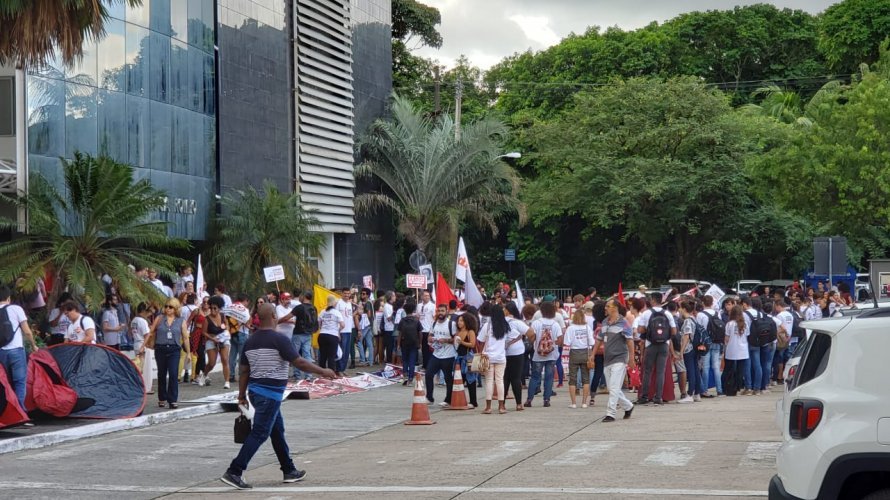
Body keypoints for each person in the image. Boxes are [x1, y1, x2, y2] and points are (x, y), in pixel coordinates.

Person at [220, 304, 336, 490]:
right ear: (273, 315)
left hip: (256, 392)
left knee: (277, 430)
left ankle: (289, 470)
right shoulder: (279, 339)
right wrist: (322, 371)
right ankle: (235, 471)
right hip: (270, 394)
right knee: (260, 433)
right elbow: (298, 362)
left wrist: (241, 395)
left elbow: (243, 371)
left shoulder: (250, 341)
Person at [140, 298, 190, 408]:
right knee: (161, 374)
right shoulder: (159, 318)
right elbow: (151, 332)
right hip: (160, 349)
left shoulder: (181, 320)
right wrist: (143, 345)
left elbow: (185, 338)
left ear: (176, 308)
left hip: (174, 349)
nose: (168, 309)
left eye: (171, 307)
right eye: (166, 306)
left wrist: (189, 353)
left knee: (173, 373)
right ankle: (162, 398)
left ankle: (172, 399)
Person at [591, 299, 635, 422]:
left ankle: (610, 413)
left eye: (608, 306)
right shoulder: (605, 322)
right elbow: (599, 339)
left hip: (620, 358)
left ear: (615, 308)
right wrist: (592, 354)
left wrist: (631, 359)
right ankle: (628, 406)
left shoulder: (624, 323)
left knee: (614, 387)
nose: (605, 308)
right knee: (611, 388)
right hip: (608, 359)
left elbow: (630, 341)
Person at [0, 285, 38, 414]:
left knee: (5, 382)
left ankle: (8, 413)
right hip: (16, 350)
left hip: (1, 352)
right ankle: (21, 413)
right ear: (9, 298)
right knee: (19, 382)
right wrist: (33, 346)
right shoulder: (16, 309)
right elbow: (27, 331)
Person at [636, 292, 676, 406]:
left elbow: (640, 330)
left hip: (650, 345)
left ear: (652, 300)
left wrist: (649, 330)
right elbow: (674, 331)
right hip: (664, 345)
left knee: (647, 371)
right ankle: (658, 397)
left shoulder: (646, 313)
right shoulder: (667, 313)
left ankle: (644, 396)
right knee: (660, 372)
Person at [524, 301, 564, 408]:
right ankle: (546, 399)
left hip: (538, 354)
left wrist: (535, 343)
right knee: (549, 377)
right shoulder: (555, 324)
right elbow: (560, 340)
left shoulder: (536, 323)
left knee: (535, 377)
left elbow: (531, 335)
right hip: (551, 355)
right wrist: (552, 345)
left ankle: (529, 399)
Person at [425, 304, 457, 407]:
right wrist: (430, 339)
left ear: (447, 311)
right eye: (439, 311)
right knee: (428, 374)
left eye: (442, 311)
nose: (440, 313)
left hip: (448, 355)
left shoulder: (451, 324)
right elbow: (430, 335)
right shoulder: (434, 324)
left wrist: (446, 340)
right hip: (436, 354)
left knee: (448, 378)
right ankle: (429, 397)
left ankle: (448, 399)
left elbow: (456, 339)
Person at [563, 309, 595, 409]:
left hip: (574, 353)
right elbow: (592, 342)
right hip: (585, 353)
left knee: (572, 378)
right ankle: (584, 402)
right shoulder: (587, 327)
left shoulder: (571, 328)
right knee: (586, 379)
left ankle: (573, 403)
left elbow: (566, 343)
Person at [199, 296, 231, 388]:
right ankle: (204, 375)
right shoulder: (206, 319)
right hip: (211, 340)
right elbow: (204, 332)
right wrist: (213, 339)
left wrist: (227, 331)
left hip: (223, 339)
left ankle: (227, 382)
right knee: (212, 363)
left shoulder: (222, 316)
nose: (212, 310)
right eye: (211, 308)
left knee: (225, 359)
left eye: (215, 308)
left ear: (219, 308)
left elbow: (227, 324)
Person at [698, 295, 723, 397]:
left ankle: (704, 390)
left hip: (706, 343)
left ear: (703, 303)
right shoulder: (717, 314)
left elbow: (699, 329)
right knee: (716, 367)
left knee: (706, 367)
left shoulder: (700, 314)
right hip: (717, 342)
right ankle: (719, 390)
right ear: (712, 303)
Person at [724, 304, 750, 396]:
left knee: (730, 369)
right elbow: (747, 336)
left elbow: (727, 338)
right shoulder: (745, 324)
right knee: (740, 370)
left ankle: (731, 387)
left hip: (731, 349)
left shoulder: (729, 324)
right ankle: (739, 387)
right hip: (743, 350)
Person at [454, 312, 479, 408]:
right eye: (458, 321)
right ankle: (458, 399)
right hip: (459, 359)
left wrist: (462, 342)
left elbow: (472, 344)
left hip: (468, 358)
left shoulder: (470, 332)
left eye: (461, 320)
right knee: (459, 379)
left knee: (470, 380)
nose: (459, 323)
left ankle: (473, 401)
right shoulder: (458, 332)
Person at [317, 295, 344, 375]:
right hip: (332, 336)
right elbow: (343, 325)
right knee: (331, 356)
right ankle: (331, 374)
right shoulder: (336, 312)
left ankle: (322, 373)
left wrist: (322, 328)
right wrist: (338, 331)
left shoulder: (322, 311)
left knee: (323, 356)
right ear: (333, 303)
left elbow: (318, 322)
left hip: (322, 335)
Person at [131, 302, 154, 394]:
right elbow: (147, 335)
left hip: (136, 343)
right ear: (144, 311)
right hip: (141, 345)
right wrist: (145, 345)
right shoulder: (142, 321)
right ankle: (145, 387)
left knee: (139, 366)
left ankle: (140, 387)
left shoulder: (134, 320)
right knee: (143, 368)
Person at [396, 301, 422, 385]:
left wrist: (398, 344)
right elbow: (420, 333)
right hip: (414, 343)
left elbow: (400, 333)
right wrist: (420, 343)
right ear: (413, 310)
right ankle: (410, 379)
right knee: (412, 361)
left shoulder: (402, 320)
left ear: (405, 310)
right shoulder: (416, 321)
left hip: (404, 343)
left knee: (405, 360)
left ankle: (405, 375)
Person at [336, 289, 354, 373]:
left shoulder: (349, 303)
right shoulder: (338, 303)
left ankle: (343, 369)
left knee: (347, 351)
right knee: (341, 352)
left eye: (348, 293)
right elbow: (335, 317)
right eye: (345, 293)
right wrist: (337, 331)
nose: (347, 295)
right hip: (341, 331)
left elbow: (350, 316)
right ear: (342, 294)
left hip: (349, 330)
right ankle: (339, 369)